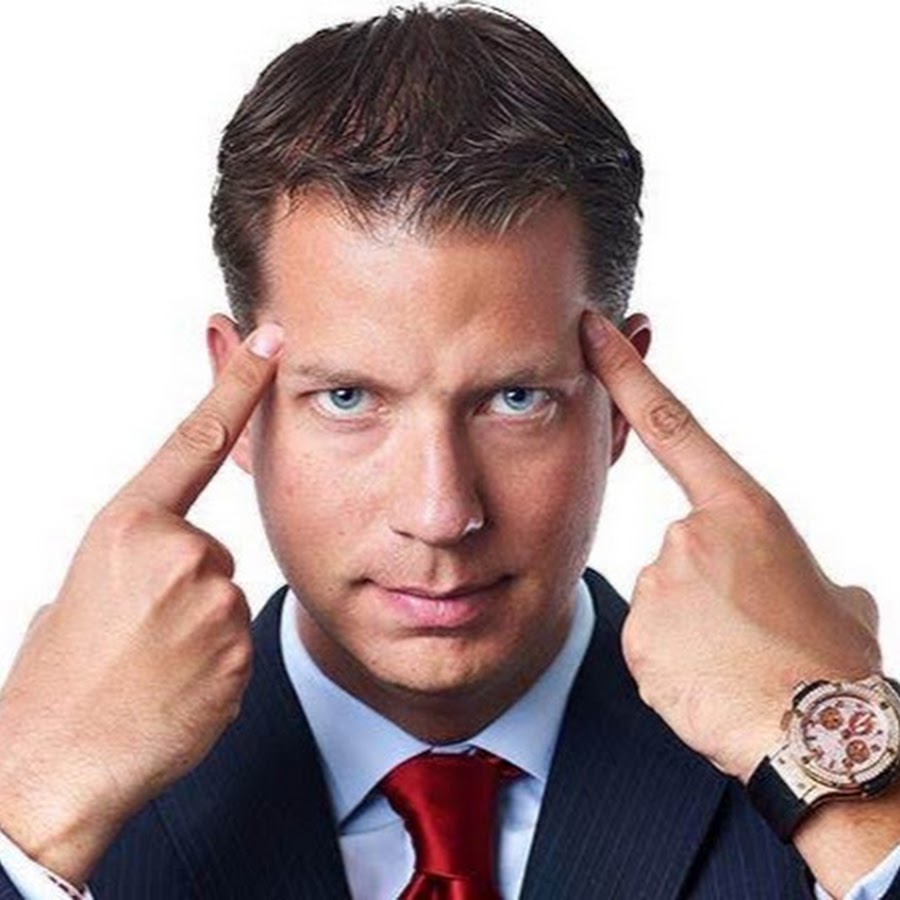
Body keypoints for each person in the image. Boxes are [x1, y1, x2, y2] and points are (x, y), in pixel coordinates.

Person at [0, 3, 898, 898]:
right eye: (348, 398)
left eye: (516, 400)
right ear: (237, 398)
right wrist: (28, 812)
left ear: (619, 405)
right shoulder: (59, 804)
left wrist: (845, 777)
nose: (439, 514)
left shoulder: (822, 778)